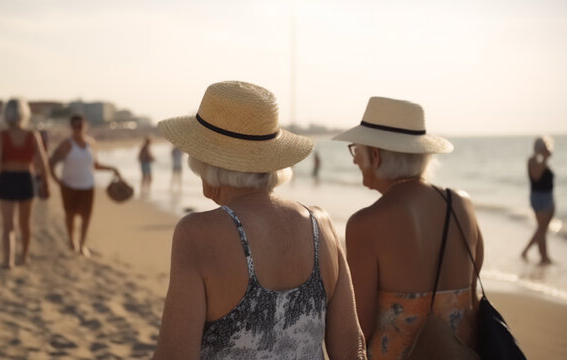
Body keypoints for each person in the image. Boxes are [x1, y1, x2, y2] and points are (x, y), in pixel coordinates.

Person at [153, 81, 366, 359]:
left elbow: (175, 354)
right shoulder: (321, 225)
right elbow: (352, 348)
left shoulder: (197, 233)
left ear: (206, 160)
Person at [333, 97, 483, 359]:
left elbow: (360, 327)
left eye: (357, 150)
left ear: (376, 155)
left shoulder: (366, 224)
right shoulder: (461, 204)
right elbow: (472, 295)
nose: (355, 160)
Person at [0, 98, 51, 268]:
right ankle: (24, 256)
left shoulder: (2, 136)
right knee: (25, 223)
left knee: (8, 226)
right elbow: (43, 162)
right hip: (26, 179)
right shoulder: (32, 135)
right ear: (24, 113)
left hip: (7, 179)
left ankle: (8, 261)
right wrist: (45, 183)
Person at [49, 114, 120, 257]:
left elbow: (95, 165)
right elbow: (52, 162)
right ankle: (71, 241)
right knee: (70, 216)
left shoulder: (91, 143)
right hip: (69, 186)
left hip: (88, 186)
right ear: (71, 127)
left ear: (85, 126)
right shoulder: (67, 144)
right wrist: (57, 180)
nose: (78, 128)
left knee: (86, 216)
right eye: (75, 126)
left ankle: (82, 245)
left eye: (80, 125)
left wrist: (112, 168)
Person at [522, 136, 555, 264]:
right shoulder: (532, 160)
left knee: (542, 230)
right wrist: (545, 158)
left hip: (548, 197)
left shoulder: (543, 161)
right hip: (539, 199)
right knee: (541, 229)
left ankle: (543, 256)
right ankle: (527, 251)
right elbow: (536, 177)